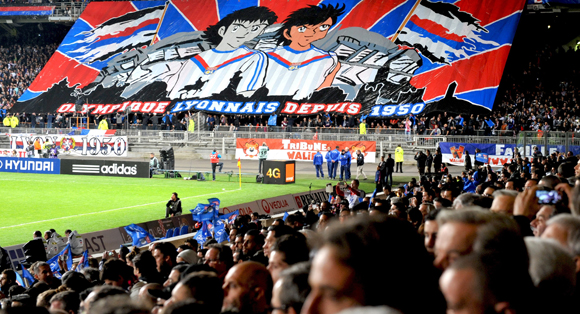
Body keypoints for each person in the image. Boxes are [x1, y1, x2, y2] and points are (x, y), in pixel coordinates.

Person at [167, 7, 277, 99]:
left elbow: (247, 93)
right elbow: (172, 92)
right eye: (237, 27)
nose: (244, 32)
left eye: (255, 28)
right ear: (222, 31)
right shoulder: (196, 60)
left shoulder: (254, 57)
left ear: (260, 32)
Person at [264, 4, 344, 100]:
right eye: (303, 28)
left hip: (302, 108)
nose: (312, 33)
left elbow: (322, 92)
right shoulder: (266, 56)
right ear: (287, 33)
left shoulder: (329, 59)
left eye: (323, 27)